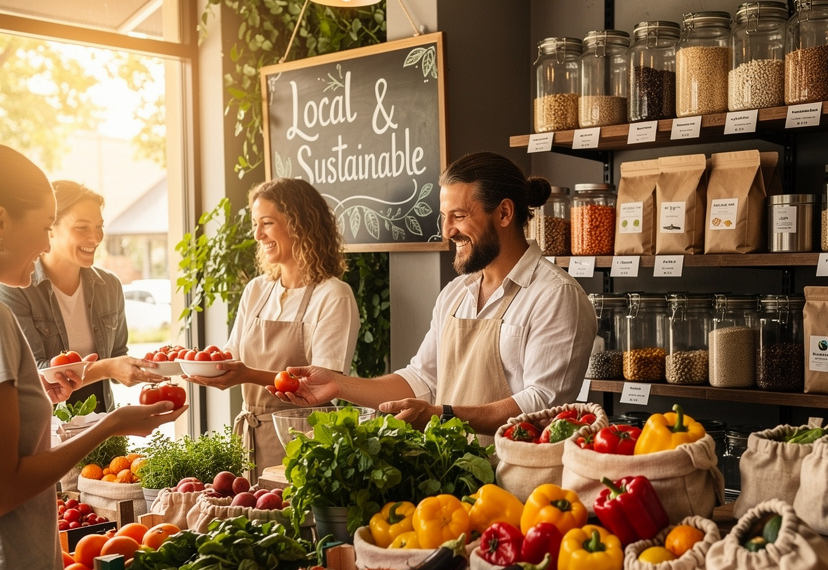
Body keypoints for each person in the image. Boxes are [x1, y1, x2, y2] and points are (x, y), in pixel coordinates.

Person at [0, 144, 186, 570]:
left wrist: (43, 396)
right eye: (48, 219)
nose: (49, 240)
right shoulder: (2, 311)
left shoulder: (100, 288)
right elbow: (8, 483)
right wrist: (110, 427)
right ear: (6, 219)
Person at [270, 151, 597, 438]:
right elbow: (420, 379)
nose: (447, 231)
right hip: (455, 482)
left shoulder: (555, 296)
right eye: (445, 217)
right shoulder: (455, 294)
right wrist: (338, 385)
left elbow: (542, 403)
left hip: (522, 490)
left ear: (504, 213)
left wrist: (443, 416)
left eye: (459, 216)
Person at [182, 177, 360, 476]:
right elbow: (232, 352)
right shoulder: (257, 289)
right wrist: (197, 362)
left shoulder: (333, 294)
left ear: (300, 224)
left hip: (307, 439)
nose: (258, 234)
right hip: (252, 436)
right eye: (256, 224)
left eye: (266, 223)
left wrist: (245, 375)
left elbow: (326, 383)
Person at [0, 180, 162, 412]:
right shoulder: (16, 286)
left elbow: (117, 355)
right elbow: (34, 371)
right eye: (82, 227)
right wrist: (107, 368)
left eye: (99, 226)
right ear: (51, 229)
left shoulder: (109, 285)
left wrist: (143, 367)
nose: (95, 237)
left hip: (102, 423)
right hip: (51, 427)